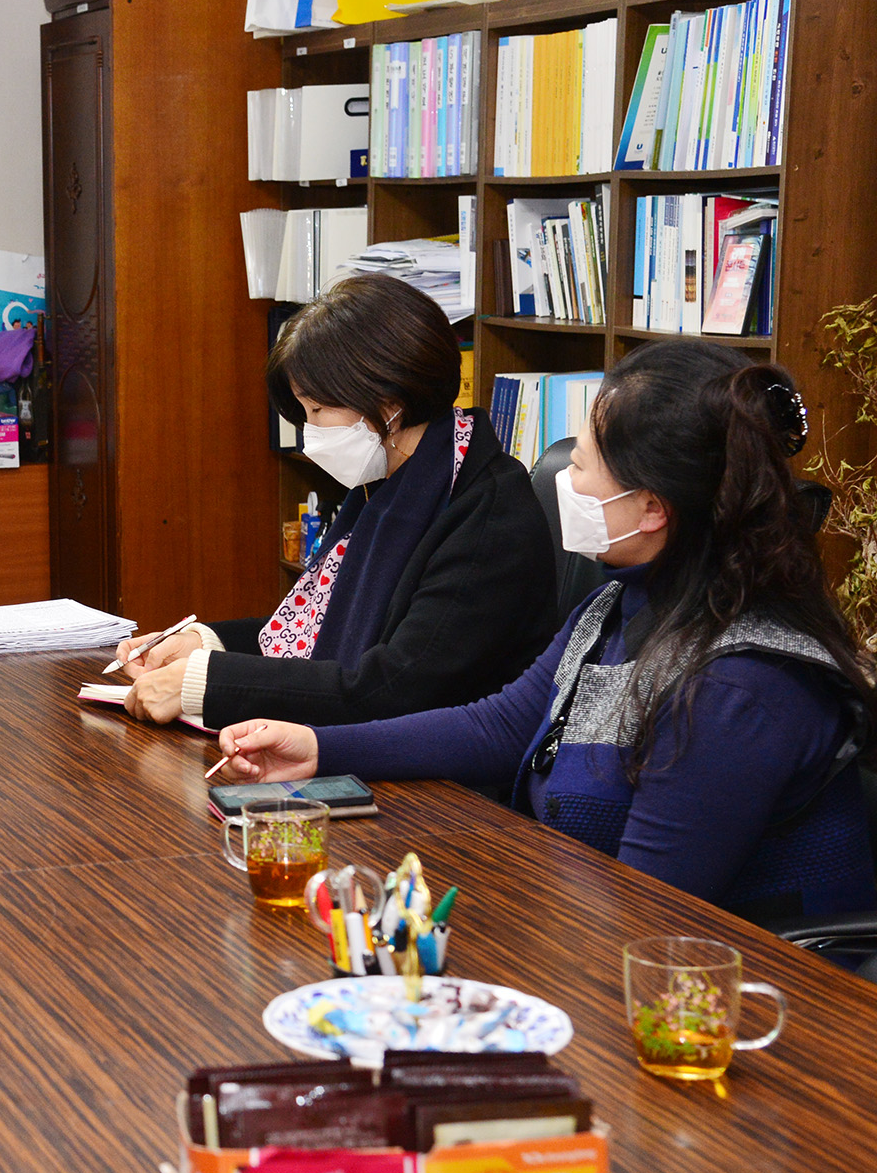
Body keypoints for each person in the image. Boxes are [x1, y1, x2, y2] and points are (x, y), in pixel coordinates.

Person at [215, 342, 877, 922]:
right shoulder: (620, 602)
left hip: (748, 1011)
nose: (561, 478)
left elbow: (649, 909)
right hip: (586, 924)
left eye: (583, 465)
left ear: (652, 508)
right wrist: (314, 747)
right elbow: (501, 725)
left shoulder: (738, 686)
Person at [118, 274, 557, 727]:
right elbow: (318, 632)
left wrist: (207, 683)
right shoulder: (392, 479)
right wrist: (206, 642)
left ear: (389, 400)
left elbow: (394, 687)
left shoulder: (489, 515)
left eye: (319, 410)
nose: (310, 435)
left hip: (446, 783)